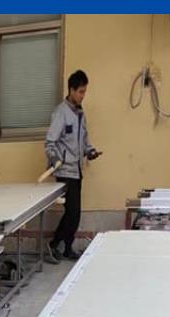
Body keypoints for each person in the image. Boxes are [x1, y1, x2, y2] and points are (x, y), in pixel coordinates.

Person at [44, 69, 102, 261]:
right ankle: (53, 245)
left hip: (77, 170)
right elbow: (50, 142)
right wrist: (54, 158)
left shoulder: (80, 113)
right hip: (65, 171)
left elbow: (84, 138)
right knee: (73, 212)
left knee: (74, 214)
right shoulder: (61, 113)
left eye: (85, 91)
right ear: (71, 90)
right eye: (81, 91)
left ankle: (67, 248)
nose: (83, 95)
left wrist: (90, 151)